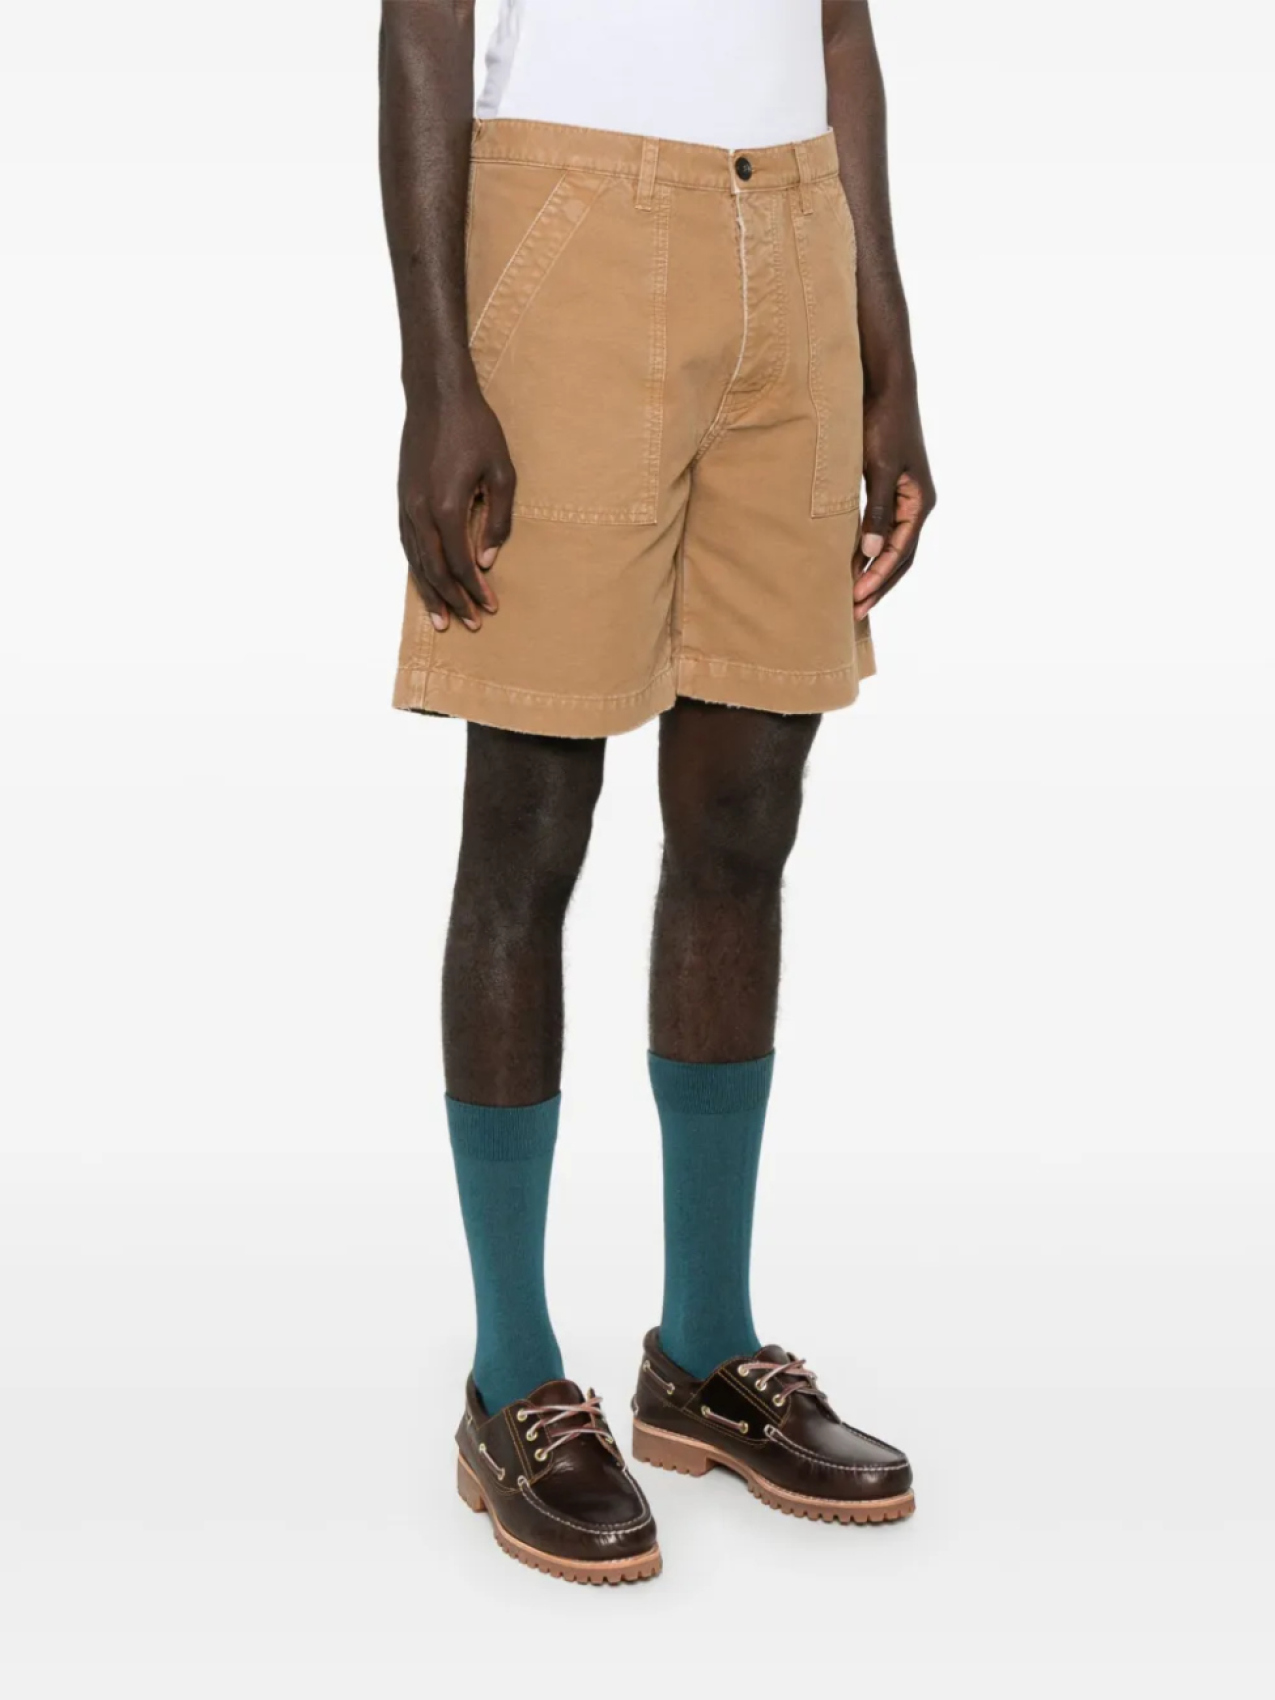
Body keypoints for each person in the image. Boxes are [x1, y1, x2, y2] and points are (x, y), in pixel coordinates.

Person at [379, 0, 935, 1585]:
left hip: (797, 234)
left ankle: (705, 1348)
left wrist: (889, 351)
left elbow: (839, 30)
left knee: (746, 816)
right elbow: (423, 23)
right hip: (568, 223)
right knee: (532, 817)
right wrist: (437, 375)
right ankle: (510, 1375)